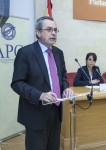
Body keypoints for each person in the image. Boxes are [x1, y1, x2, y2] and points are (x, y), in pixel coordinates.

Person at [11, 16, 73, 150]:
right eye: (49, 29)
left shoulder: (58, 53)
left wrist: (66, 88)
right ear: (38, 33)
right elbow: (17, 83)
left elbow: (62, 76)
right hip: (35, 112)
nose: (54, 33)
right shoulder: (26, 53)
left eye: (56, 30)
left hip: (56, 110)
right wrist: (40, 95)